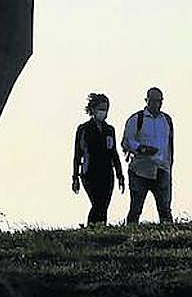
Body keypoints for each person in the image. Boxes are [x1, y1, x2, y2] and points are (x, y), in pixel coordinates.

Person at [121, 87, 175, 224]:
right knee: (136, 208)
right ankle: (130, 235)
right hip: (140, 170)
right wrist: (142, 149)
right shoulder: (137, 119)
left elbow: (170, 144)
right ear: (147, 100)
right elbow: (126, 141)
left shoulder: (166, 120)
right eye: (154, 101)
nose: (157, 104)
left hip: (162, 169)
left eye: (159, 101)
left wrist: (169, 165)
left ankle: (168, 239)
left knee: (165, 210)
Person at [71, 92, 124, 225]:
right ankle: (91, 228)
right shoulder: (84, 129)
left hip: (107, 173)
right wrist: (75, 177)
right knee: (97, 203)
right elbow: (77, 155)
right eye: (101, 109)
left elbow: (114, 153)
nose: (104, 112)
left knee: (104, 205)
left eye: (106, 109)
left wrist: (120, 175)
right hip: (90, 173)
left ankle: (101, 229)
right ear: (93, 109)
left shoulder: (109, 129)